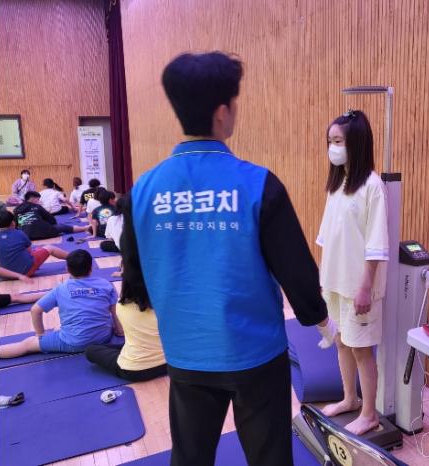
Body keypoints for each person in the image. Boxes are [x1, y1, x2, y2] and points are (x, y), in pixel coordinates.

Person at [121, 51, 333, 466]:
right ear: (223, 112)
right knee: (270, 458)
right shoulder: (258, 184)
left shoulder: (143, 190)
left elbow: (134, 274)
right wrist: (320, 318)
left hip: (184, 350)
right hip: (255, 352)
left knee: (190, 457)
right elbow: (296, 271)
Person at [316, 109, 390, 436]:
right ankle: (350, 398)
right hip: (335, 281)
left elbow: (376, 244)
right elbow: (328, 237)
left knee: (361, 349)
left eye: (338, 141)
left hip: (359, 286)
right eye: (330, 141)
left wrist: (365, 288)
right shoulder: (338, 184)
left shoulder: (372, 186)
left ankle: (370, 414)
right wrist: (323, 279)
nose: (332, 148)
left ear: (356, 144)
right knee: (342, 342)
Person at [0, 249, 123, 359]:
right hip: (103, 338)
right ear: (91, 268)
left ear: (67, 269)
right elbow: (115, 311)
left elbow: (35, 310)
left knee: (27, 344)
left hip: (72, 342)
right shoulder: (106, 284)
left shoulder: (60, 289)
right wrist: (119, 330)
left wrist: (40, 335)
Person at [85, 276, 166, 382]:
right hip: (171, 364)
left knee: (91, 350)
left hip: (135, 370)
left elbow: (120, 331)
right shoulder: (168, 305)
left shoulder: (122, 307)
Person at [0, 210, 69, 280]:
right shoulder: (19, 233)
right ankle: (72, 259)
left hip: (5, 275)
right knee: (50, 248)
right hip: (27, 271)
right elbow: (29, 252)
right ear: (13, 223)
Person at [13, 191, 89, 240]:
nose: (38, 201)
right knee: (61, 226)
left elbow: (15, 225)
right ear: (32, 198)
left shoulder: (16, 209)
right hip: (43, 232)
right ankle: (84, 228)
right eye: (37, 199)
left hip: (26, 236)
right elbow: (52, 220)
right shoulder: (37, 206)